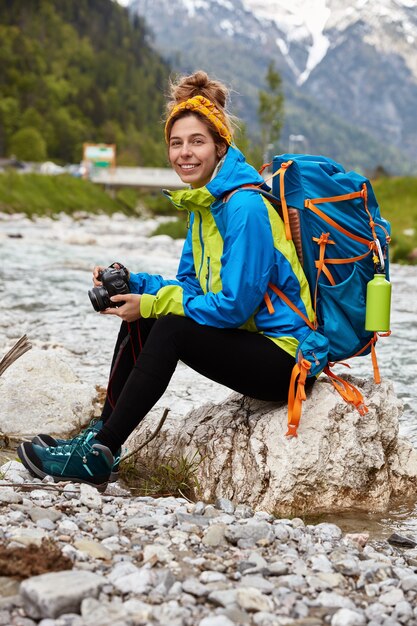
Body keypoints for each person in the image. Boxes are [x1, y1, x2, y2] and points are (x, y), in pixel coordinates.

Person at [17, 70, 322, 492]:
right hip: (254, 344)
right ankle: (102, 440)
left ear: (220, 146)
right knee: (145, 314)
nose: (185, 153)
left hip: (288, 363)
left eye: (196, 142)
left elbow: (234, 305)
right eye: (176, 143)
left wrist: (153, 303)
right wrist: (132, 283)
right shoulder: (204, 208)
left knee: (171, 325)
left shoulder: (245, 208)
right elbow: (189, 290)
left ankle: (98, 455)